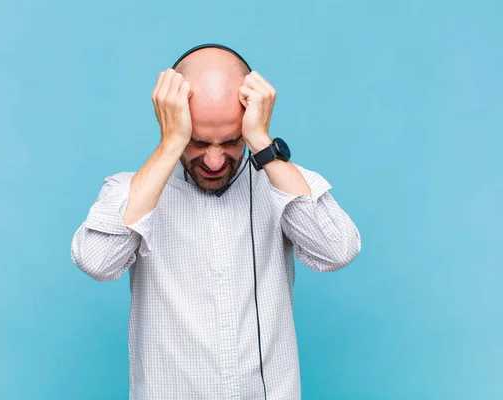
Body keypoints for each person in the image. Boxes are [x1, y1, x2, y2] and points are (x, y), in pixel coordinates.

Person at [71, 44, 361, 399]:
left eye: (231, 141)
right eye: (196, 141)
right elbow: (97, 261)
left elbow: (338, 251)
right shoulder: (130, 191)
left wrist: (261, 143)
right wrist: (171, 144)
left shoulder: (280, 182)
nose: (212, 161)